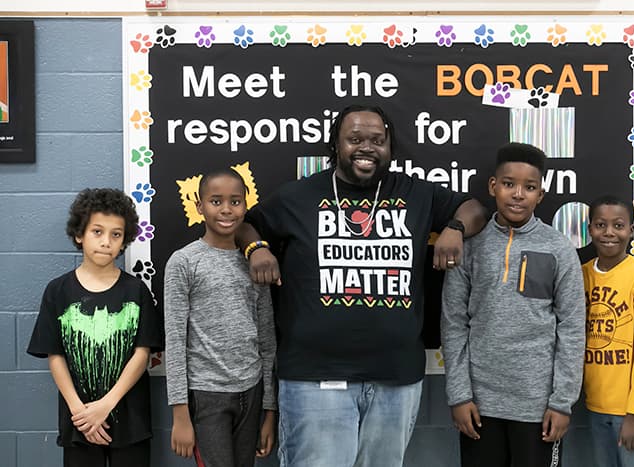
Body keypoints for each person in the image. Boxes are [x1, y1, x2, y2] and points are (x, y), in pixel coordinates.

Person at [235, 104, 487, 467]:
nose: (366, 147)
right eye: (354, 139)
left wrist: (455, 229)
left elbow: (475, 209)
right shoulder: (299, 196)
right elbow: (247, 225)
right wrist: (257, 248)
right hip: (314, 376)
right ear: (336, 145)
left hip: (396, 377)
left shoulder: (417, 194)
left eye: (377, 140)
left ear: (390, 148)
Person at [441, 142, 586, 467]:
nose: (518, 194)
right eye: (509, 184)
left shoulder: (558, 248)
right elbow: (453, 324)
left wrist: (562, 402)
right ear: (494, 186)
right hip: (479, 406)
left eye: (529, 187)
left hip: (538, 408)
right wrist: (459, 395)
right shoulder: (471, 246)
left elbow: (573, 329)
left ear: (540, 194)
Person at [26, 188, 164, 467]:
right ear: (80, 234)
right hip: (79, 422)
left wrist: (106, 405)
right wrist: (81, 412)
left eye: (116, 234)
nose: (106, 242)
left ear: (124, 240)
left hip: (130, 420)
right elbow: (55, 356)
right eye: (97, 232)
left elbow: (142, 353)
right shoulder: (58, 291)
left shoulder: (136, 291)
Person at [164, 169, 277, 467]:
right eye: (216, 201)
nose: (226, 209)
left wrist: (269, 411)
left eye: (235, 201)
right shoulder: (184, 262)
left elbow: (267, 339)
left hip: (251, 392)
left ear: (246, 204)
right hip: (207, 395)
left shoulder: (256, 262)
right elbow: (175, 341)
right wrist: (180, 414)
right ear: (199, 206)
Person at [582, 195, 634, 467]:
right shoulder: (581, 275)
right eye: (600, 225)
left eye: (618, 225)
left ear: (631, 230)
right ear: (590, 228)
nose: (609, 233)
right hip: (597, 404)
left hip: (633, 409)